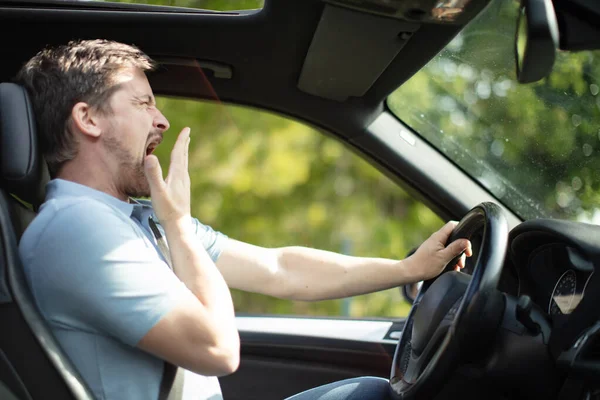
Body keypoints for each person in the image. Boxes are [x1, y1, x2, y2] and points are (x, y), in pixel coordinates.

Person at [16, 39, 472, 400]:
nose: (162, 120)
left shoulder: (135, 219)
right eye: (142, 104)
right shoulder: (76, 228)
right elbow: (217, 349)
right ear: (87, 119)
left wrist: (407, 269)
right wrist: (179, 226)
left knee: (370, 393)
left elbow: (280, 269)